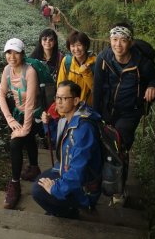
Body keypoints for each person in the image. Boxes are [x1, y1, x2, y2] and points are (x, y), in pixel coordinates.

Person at [92, 23, 155, 204]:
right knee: (105, 146)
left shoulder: (141, 63)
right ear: (110, 41)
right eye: (114, 40)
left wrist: (153, 85)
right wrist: (95, 115)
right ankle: (106, 182)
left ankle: (118, 191)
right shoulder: (103, 58)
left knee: (119, 147)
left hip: (129, 113)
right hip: (108, 111)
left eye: (123, 40)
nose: (118, 45)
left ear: (130, 42)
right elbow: (97, 89)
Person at [31, 81, 102, 218]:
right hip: (65, 168)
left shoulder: (83, 129)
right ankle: (62, 206)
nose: (58, 102)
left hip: (84, 188)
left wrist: (55, 189)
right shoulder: (69, 119)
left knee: (38, 191)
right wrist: (49, 123)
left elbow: (77, 172)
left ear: (76, 100)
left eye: (64, 98)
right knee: (40, 181)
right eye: (57, 97)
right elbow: (62, 144)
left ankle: (71, 212)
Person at [0, 38, 41, 210]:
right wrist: (10, 119)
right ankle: (34, 167)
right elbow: (1, 95)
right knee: (27, 139)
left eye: (16, 52)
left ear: (23, 54)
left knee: (16, 143)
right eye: (9, 52)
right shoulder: (7, 70)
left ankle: (15, 184)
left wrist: (24, 129)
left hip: (36, 114)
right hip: (18, 113)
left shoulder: (29, 72)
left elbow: (30, 104)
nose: (12, 56)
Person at [57, 31, 96, 104]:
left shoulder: (95, 62)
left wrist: (86, 73)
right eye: (73, 46)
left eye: (79, 45)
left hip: (89, 109)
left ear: (85, 46)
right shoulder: (67, 61)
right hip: (70, 106)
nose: (76, 49)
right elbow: (60, 85)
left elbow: (96, 89)